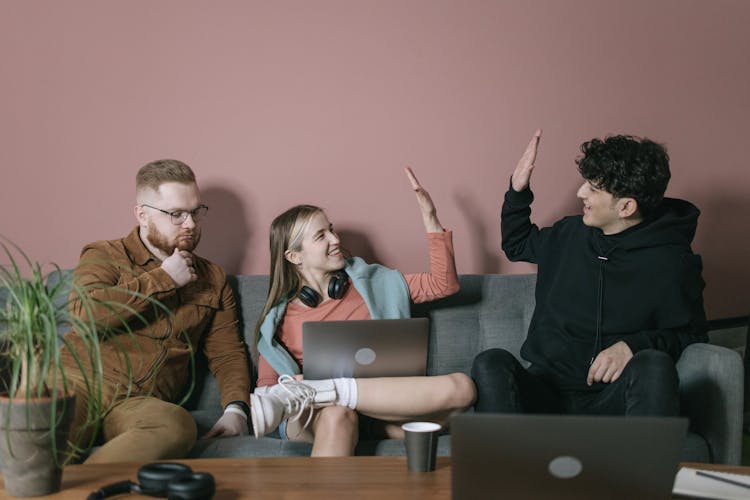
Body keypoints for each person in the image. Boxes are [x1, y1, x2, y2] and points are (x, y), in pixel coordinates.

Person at [471, 130, 708, 417]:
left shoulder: (672, 261)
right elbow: (517, 244)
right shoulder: (568, 234)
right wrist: (518, 191)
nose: (581, 193)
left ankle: (643, 460)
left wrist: (633, 346)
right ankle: (506, 460)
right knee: (490, 362)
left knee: (654, 366)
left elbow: (692, 336)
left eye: (593, 189)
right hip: (547, 392)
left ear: (626, 206)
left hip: (614, 398)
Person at [249, 167, 476, 456]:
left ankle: (337, 396)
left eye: (331, 229)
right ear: (294, 257)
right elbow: (267, 395)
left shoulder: (375, 282)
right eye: (321, 236)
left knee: (463, 388)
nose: (335, 239)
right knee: (337, 415)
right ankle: (333, 399)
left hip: (383, 405)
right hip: (316, 416)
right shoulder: (278, 320)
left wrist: (430, 217)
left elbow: (443, 284)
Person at [61, 159, 252, 463]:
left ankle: (88, 492)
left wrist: (236, 409)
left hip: (142, 403)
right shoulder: (105, 255)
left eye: (195, 212)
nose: (190, 223)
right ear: (142, 215)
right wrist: (164, 278)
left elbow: (227, 353)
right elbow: (85, 313)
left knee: (176, 426)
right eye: (176, 214)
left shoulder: (213, 279)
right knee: (37, 433)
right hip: (79, 383)